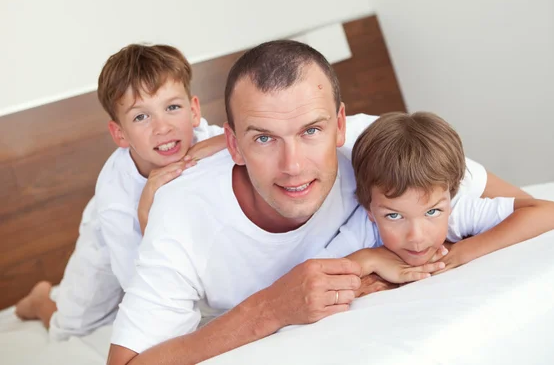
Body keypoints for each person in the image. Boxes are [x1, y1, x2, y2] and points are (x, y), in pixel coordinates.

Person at [107, 40, 530, 365]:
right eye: (264, 138)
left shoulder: (376, 146)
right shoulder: (180, 211)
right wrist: (270, 308)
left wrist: (390, 260)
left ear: (341, 125)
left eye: (311, 131)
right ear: (233, 144)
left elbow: (526, 207)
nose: (293, 167)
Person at [15, 44, 225, 340]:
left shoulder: (213, 140)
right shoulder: (116, 196)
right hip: (107, 236)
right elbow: (140, 281)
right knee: (72, 325)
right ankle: (39, 302)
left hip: (174, 234)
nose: (163, 127)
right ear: (120, 134)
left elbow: (245, 139)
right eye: (141, 117)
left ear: (193, 111)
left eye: (172, 108)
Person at [343, 111, 554, 281]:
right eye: (394, 216)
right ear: (369, 212)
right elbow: (321, 274)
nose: (417, 236)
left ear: (450, 201)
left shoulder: (457, 214)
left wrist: (464, 251)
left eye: (432, 212)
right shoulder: (358, 235)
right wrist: (367, 258)